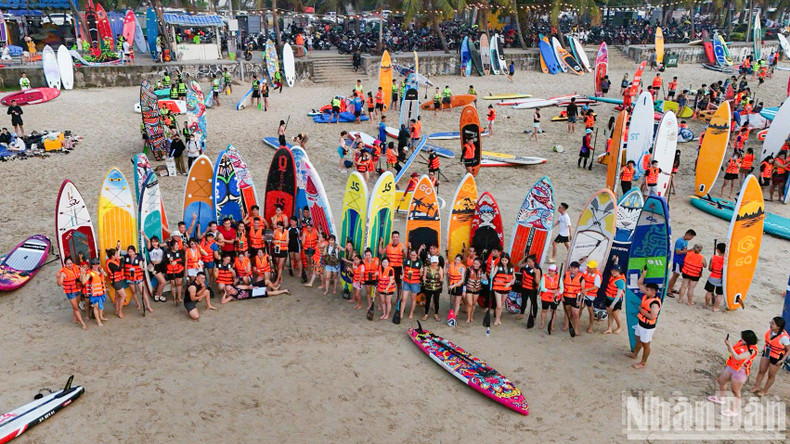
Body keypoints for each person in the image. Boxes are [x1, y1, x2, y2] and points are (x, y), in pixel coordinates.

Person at [707, 330, 759, 416]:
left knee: (735, 391)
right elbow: (732, 351)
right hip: (732, 367)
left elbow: (738, 357)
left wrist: (730, 346)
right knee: (721, 380)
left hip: (740, 372)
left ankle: (733, 410)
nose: (741, 339)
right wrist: (728, 345)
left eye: (743, 339)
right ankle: (720, 398)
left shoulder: (751, 350)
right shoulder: (741, 343)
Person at [627, 268, 662, 369]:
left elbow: (652, 316)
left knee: (646, 345)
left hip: (647, 327)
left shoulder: (654, 303)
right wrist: (643, 275)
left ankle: (643, 363)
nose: (645, 291)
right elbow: (639, 284)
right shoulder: (647, 295)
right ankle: (635, 354)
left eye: (647, 290)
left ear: (653, 291)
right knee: (638, 340)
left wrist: (641, 310)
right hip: (640, 323)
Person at [751, 317, 790, 396]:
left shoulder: (784, 338)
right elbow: (769, 342)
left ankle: (764, 391)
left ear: (778, 326)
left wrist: (782, 360)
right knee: (761, 370)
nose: (770, 325)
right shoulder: (769, 331)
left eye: (773, 324)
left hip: (776, 356)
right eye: (771, 323)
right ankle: (756, 386)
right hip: (767, 352)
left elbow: (789, 350)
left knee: (771, 375)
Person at [57, 256, 87, 330]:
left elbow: (79, 268)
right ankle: (82, 323)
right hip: (70, 292)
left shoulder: (75, 267)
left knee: (76, 304)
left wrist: (82, 270)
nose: (70, 265)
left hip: (77, 290)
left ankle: (75, 319)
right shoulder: (63, 273)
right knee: (76, 308)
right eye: (68, 264)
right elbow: (59, 284)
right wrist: (58, 277)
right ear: (65, 264)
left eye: (70, 263)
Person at [667, 229, 696, 296]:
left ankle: (671, 288)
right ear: (688, 234)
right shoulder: (679, 241)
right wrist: (689, 250)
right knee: (675, 276)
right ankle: (668, 290)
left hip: (681, 261)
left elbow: (684, 250)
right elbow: (678, 252)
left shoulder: (685, 241)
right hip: (677, 261)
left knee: (676, 276)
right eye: (691, 237)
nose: (691, 239)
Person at [82, 258, 108, 326]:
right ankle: (98, 321)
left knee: (100, 306)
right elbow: (84, 281)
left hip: (101, 292)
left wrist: (102, 271)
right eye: (94, 265)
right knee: (96, 307)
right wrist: (83, 273)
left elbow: (105, 275)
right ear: (92, 265)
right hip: (94, 294)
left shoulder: (100, 271)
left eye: (97, 264)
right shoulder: (90, 273)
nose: (96, 266)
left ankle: (101, 317)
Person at [123, 245, 150, 313]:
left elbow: (141, 265)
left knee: (142, 292)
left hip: (138, 277)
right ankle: (138, 304)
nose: (130, 253)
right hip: (130, 278)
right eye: (129, 252)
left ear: (134, 252)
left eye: (132, 252)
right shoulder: (126, 257)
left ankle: (148, 306)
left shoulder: (139, 258)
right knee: (134, 292)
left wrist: (142, 268)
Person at [491, 253, 515, 326]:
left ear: (508, 260)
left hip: (506, 288)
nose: (504, 262)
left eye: (505, 260)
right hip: (498, 288)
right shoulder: (498, 266)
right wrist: (492, 268)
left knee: (502, 304)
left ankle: (498, 318)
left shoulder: (511, 267)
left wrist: (510, 283)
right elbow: (492, 276)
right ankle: (497, 319)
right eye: (503, 260)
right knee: (498, 305)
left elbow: (514, 278)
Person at [538, 263, 562, 330]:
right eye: (549, 270)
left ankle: (552, 325)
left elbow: (562, 288)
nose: (550, 272)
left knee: (553, 311)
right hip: (546, 296)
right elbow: (542, 288)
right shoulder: (544, 277)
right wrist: (551, 291)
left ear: (555, 272)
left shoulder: (559, 278)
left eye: (552, 271)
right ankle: (542, 323)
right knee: (544, 310)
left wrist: (558, 293)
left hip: (555, 297)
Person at [602, 265, 625, 334]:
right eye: (612, 270)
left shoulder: (620, 281)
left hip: (616, 301)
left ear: (619, 272)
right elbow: (615, 265)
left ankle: (619, 327)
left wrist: (613, 304)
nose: (613, 272)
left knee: (615, 315)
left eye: (616, 271)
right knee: (610, 314)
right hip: (609, 298)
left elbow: (618, 295)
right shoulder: (613, 277)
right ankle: (609, 328)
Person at [400, 249, 422, 320]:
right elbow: (402, 270)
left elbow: (421, 274)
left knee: (413, 299)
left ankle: (411, 313)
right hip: (406, 282)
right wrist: (402, 275)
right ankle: (401, 313)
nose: (413, 256)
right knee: (404, 298)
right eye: (411, 255)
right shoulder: (406, 261)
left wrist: (422, 272)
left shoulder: (420, 262)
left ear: (416, 255)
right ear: (409, 255)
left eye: (414, 255)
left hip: (415, 283)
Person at [421, 255, 444, 322]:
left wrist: (441, 278)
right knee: (428, 300)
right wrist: (424, 278)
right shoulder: (426, 268)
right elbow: (424, 276)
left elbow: (441, 278)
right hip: (428, 287)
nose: (434, 264)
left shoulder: (440, 268)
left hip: (437, 287)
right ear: (431, 262)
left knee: (436, 301)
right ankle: (426, 314)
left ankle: (436, 314)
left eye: (436, 262)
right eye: (433, 262)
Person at [580, 260, 601, 333]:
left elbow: (597, 286)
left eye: (590, 267)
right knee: (580, 308)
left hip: (590, 295)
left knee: (590, 311)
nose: (588, 268)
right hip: (583, 293)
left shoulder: (597, 276)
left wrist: (587, 289)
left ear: (594, 268)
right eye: (588, 267)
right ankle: (576, 322)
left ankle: (590, 326)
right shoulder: (585, 271)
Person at [704, 242, 726, 311]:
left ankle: (707, 305)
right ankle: (715, 307)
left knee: (709, 292)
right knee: (719, 294)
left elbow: (710, 269)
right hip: (721, 279)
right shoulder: (727, 260)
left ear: (718, 250)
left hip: (712, 277)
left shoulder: (713, 257)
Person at [165, 238, 185, 303]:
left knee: (179, 284)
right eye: (175, 245)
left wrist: (177, 262)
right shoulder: (167, 252)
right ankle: (174, 297)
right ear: (171, 246)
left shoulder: (180, 251)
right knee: (173, 284)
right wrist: (169, 260)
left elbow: (183, 261)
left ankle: (179, 297)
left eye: (177, 245)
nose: (177, 246)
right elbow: (164, 261)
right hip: (171, 271)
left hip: (179, 270)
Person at [447, 254, 466, 321]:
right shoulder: (451, 265)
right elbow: (448, 274)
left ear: (461, 261)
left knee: (457, 302)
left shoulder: (462, 268)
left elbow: (462, 280)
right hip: (451, 284)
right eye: (456, 259)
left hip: (458, 285)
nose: (456, 261)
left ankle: (454, 316)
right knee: (453, 300)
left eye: (458, 260)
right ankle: (455, 311)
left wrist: (454, 285)